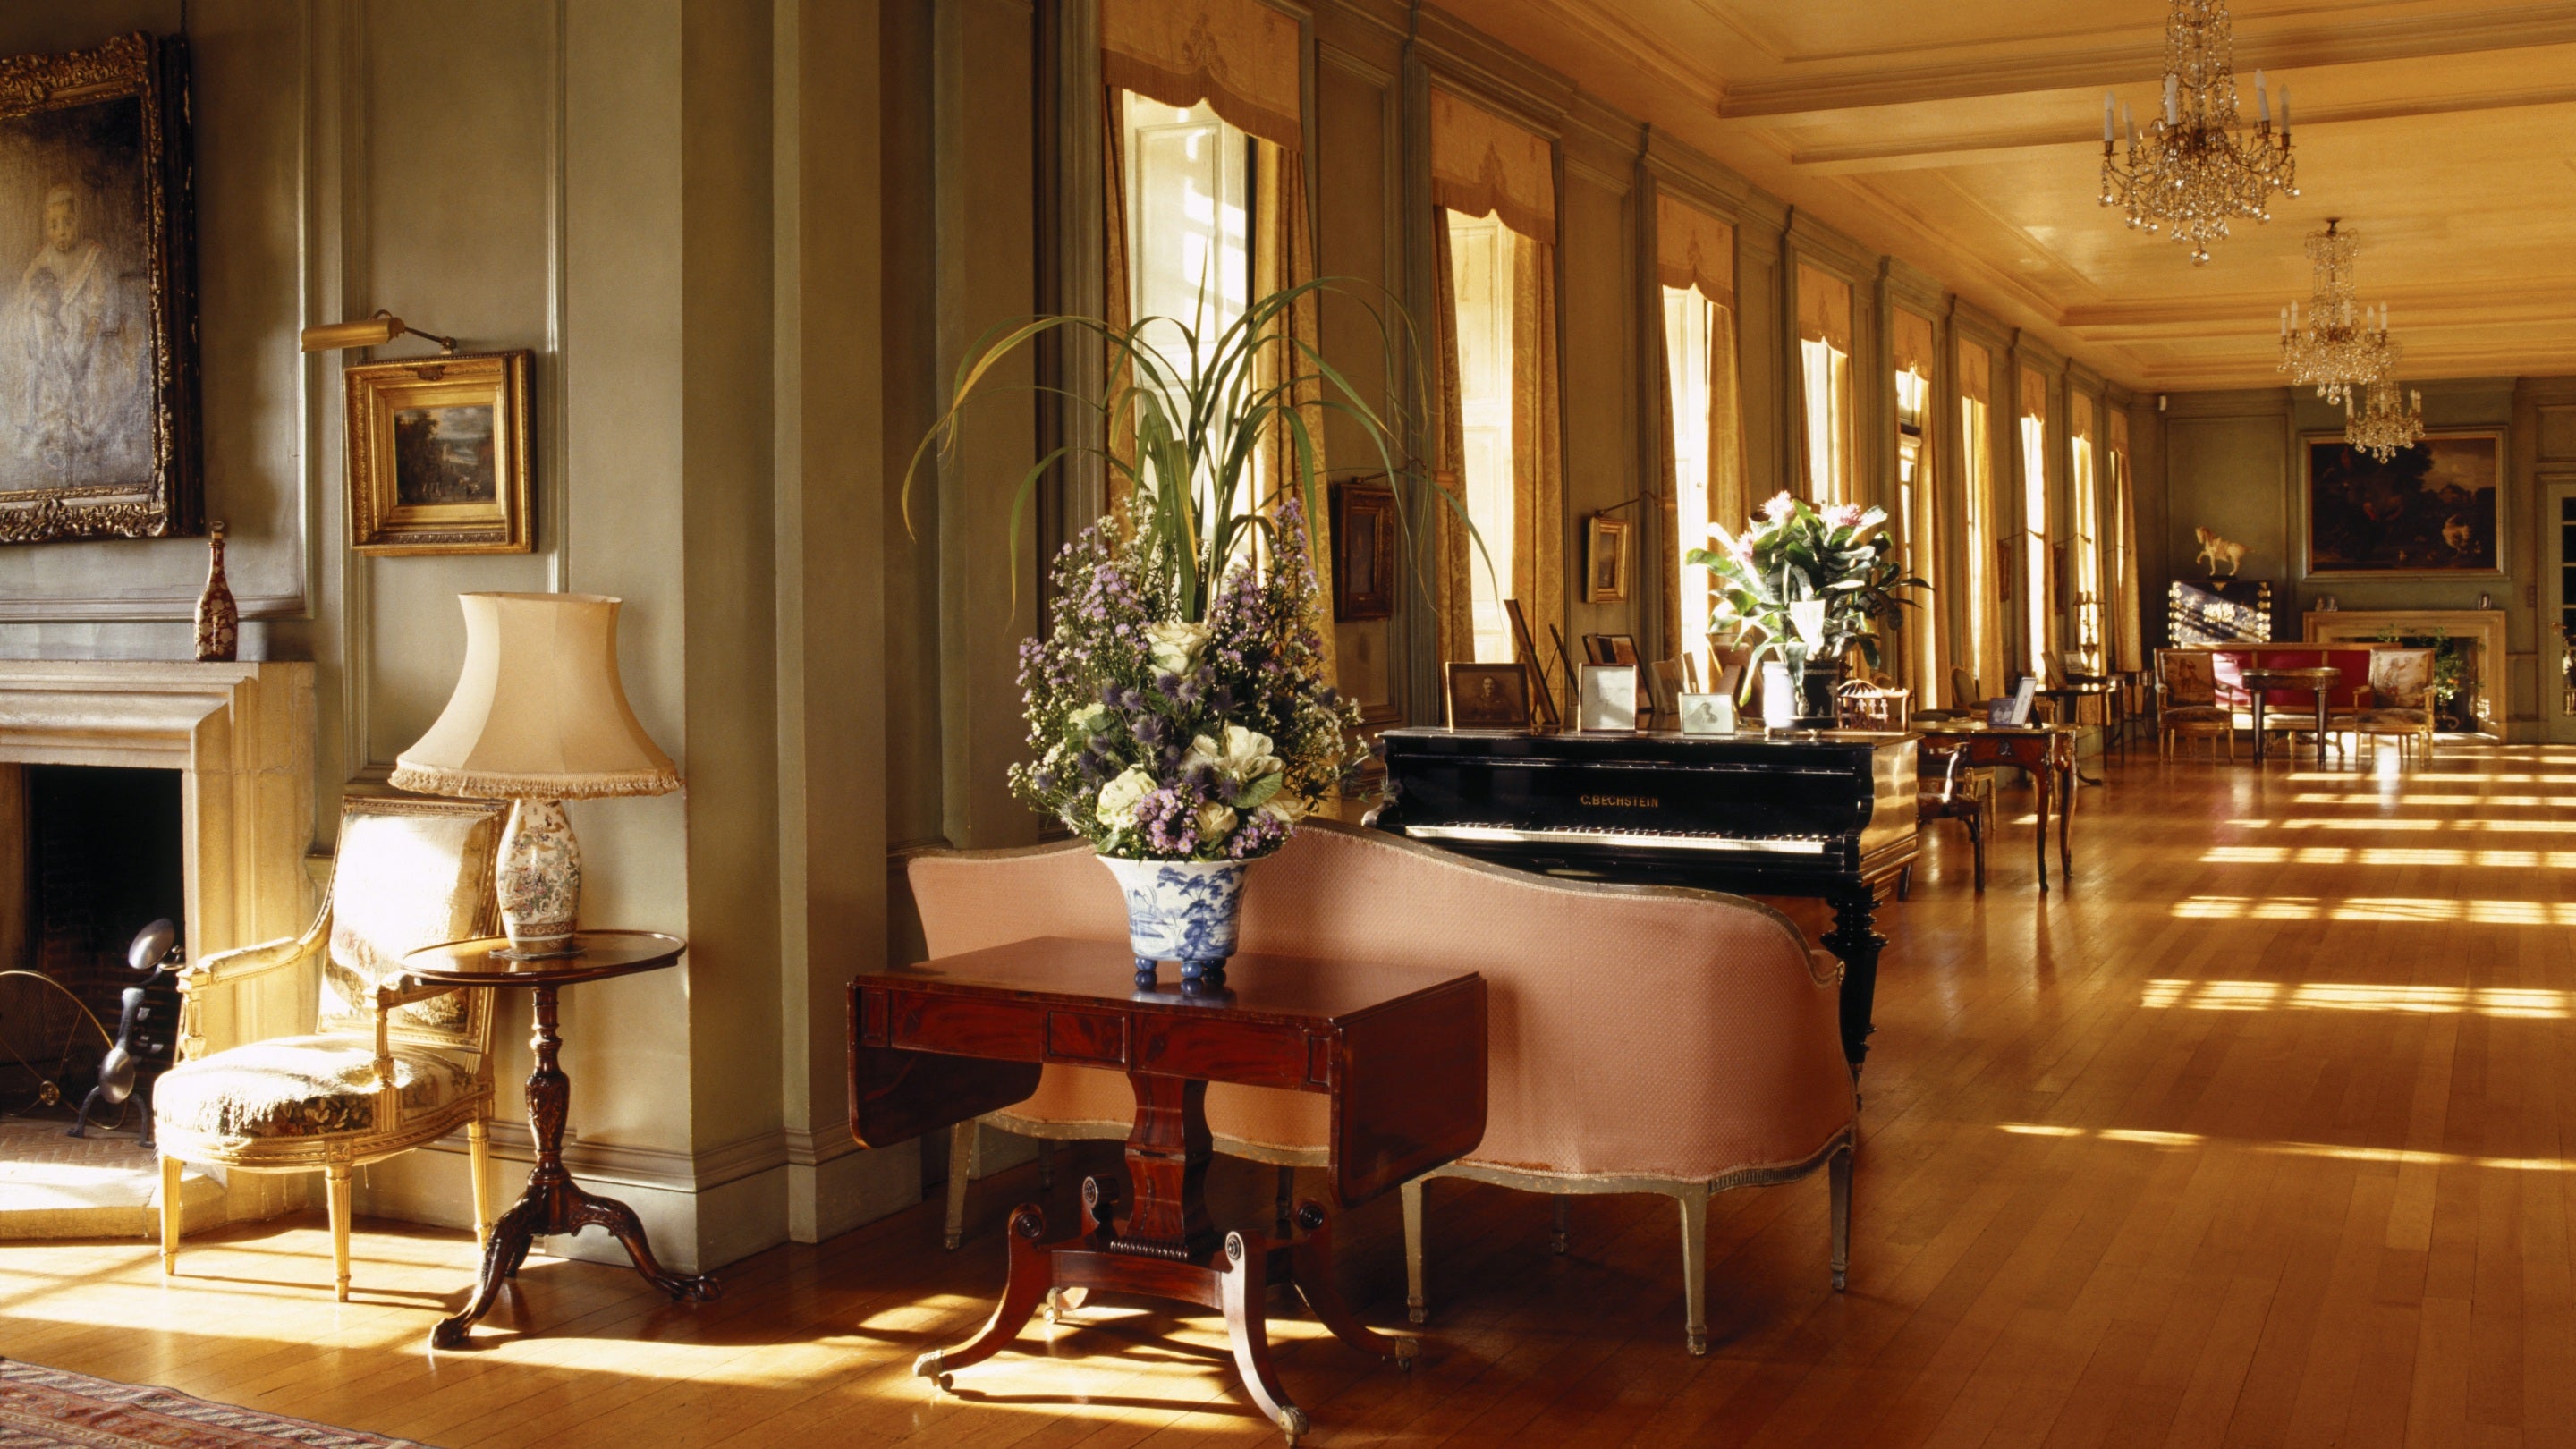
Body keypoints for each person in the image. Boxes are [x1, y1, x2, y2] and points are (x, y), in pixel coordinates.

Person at [7, 182, 145, 481]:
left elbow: (99, 291)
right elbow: (27, 289)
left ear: (78, 221)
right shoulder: (44, 256)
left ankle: (80, 422)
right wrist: (38, 303)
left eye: (67, 224)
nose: (61, 232)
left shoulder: (91, 254)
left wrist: (94, 317)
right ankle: (55, 422)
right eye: (54, 225)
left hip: (82, 328)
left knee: (86, 357)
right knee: (43, 336)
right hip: (55, 330)